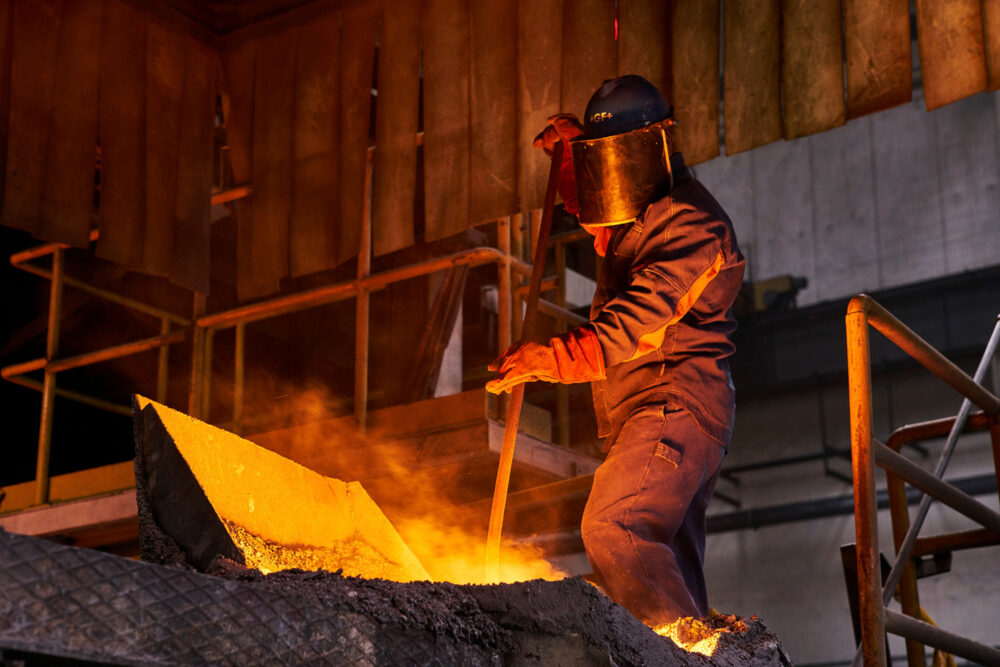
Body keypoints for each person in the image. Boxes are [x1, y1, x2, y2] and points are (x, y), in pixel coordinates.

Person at [486, 75, 745, 627]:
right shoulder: (642, 213)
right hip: (652, 408)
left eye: (614, 156)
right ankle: (703, 651)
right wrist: (571, 158)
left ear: (655, 145)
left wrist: (550, 360)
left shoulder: (694, 227)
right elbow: (598, 208)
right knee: (666, 555)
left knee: (615, 523)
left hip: (674, 404)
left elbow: (634, 323)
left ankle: (685, 658)